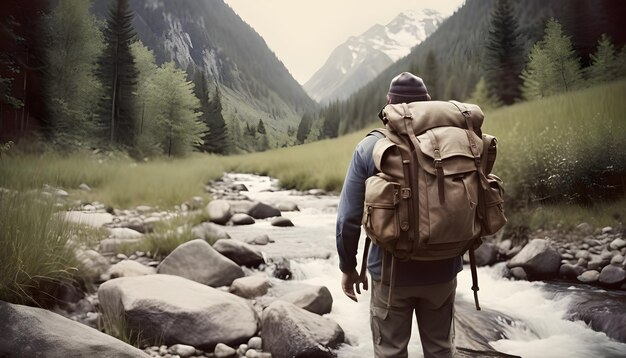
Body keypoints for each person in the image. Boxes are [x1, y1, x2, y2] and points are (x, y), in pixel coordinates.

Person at [336, 72, 463, 358]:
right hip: (443, 270)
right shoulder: (455, 142)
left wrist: (348, 267)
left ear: (389, 103)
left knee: (390, 352)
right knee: (441, 350)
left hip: (390, 274)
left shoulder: (370, 147)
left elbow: (347, 219)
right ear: (428, 103)